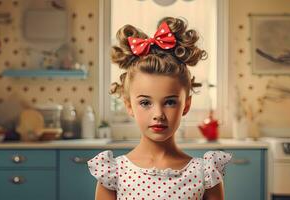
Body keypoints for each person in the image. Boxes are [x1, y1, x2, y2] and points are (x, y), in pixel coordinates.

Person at [88, 17, 231, 200]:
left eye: (170, 102)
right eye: (145, 103)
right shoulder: (112, 173)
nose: (158, 115)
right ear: (129, 105)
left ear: (186, 105)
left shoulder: (206, 174)